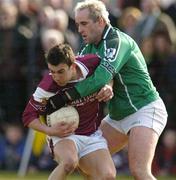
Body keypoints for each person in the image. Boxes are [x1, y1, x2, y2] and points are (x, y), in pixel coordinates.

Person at [45, 0, 168, 179]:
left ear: (101, 21)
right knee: (89, 161)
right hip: (118, 115)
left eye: (84, 23)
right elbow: (85, 79)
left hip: (144, 109)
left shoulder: (116, 41)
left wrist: (66, 97)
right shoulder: (89, 48)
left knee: (139, 171)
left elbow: (102, 76)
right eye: (78, 24)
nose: (79, 29)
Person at [22, 43, 116, 180]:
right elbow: (28, 116)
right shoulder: (47, 86)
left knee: (108, 176)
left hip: (92, 134)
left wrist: (109, 86)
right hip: (63, 135)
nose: (55, 76)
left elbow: (109, 75)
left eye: (60, 71)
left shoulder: (93, 63)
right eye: (52, 71)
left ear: (72, 66)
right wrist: (50, 131)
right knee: (69, 163)